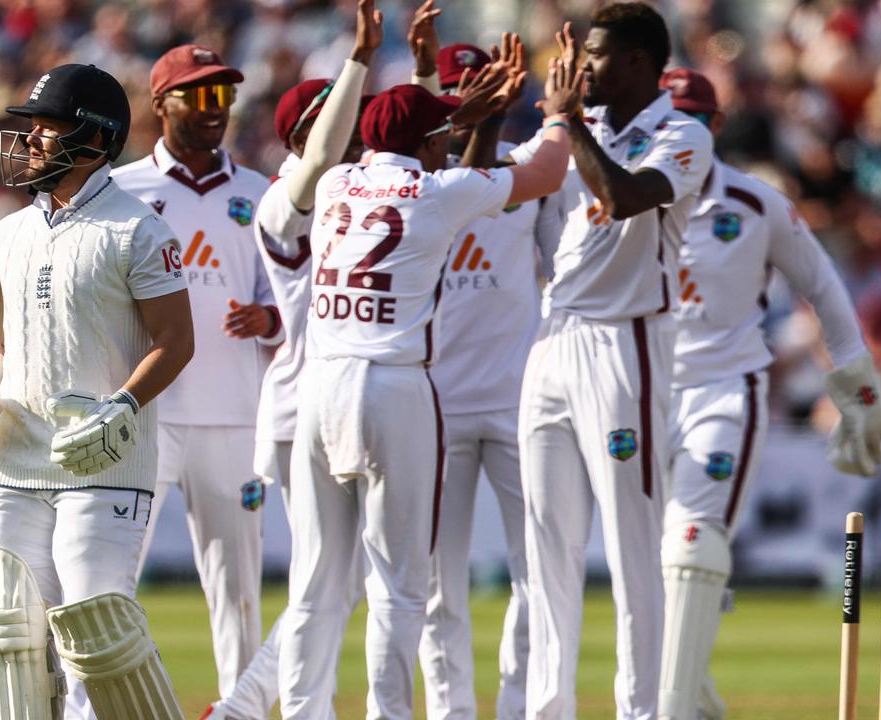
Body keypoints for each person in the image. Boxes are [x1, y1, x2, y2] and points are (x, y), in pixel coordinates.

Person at [277, 49, 581, 719]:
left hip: (322, 388)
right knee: (401, 587)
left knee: (314, 581)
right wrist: (557, 116)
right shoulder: (442, 193)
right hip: (396, 388)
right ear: (429, 142)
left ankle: (301, 712)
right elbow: (548, 169)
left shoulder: (332, 184)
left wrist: (456, 112)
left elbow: (414, 136)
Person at [0, 63, 195, 720]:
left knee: (95, 634)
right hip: (15, 463)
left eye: (49, 128)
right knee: (6, 628)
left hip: (101, 464)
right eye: (32, 127)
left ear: (96, 140)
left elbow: (177, 341)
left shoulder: (138, 230)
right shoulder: (6, 231)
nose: (32, 140)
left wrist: (123, 407)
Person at [656, 68, 881, 720]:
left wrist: (861, 394)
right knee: (653, 564)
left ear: (716, 126)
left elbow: (823, 287)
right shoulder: (615, 195)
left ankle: (670, 709)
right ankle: (693, 689)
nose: (679, 132)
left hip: (722, 390)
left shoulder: (754, 202)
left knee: (691, 547)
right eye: (667, 116)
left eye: (693, 119)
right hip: (634, 393)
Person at [506, 7, 715, 718]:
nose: (579, 68)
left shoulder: (683, 134)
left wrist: (568, 124)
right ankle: (547, 710)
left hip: (627, 346)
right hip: (553, 336)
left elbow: (624, 198)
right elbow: (505, 190)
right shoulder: (572, 127)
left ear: (634, 62)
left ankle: (644, 711)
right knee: (546, 553)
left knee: (632, 550)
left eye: (594, 57)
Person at [203, 2, 382, 718]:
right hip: (306, 406)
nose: (356, 131)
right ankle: (253, 706)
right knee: (325, 581)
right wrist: (360, 58)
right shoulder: (287, 197)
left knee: (341, 581)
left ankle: (256, 705)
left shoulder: (363, 197)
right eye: (340, 118)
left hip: (338, 399)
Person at [112, 44, 279, 700]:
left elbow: (288, 297)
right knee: (108, 579)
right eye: (200, 96)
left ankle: (239, 711)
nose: (216, 111)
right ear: (161, 103)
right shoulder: (121, 194)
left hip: (235, 413)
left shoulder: (259, 194)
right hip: (144, 414)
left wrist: (267, 319)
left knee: (238, 592)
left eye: (224, 96)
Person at [412, 35, 563, 720]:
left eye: (487, 92)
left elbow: (566, 276)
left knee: (538, 572)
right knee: (439, 587)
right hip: (433, 407)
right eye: (461, 94)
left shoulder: (520, 178)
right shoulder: (413, 186)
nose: (473, 105)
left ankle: (516, 706)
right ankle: (450, 713)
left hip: (515, 403)